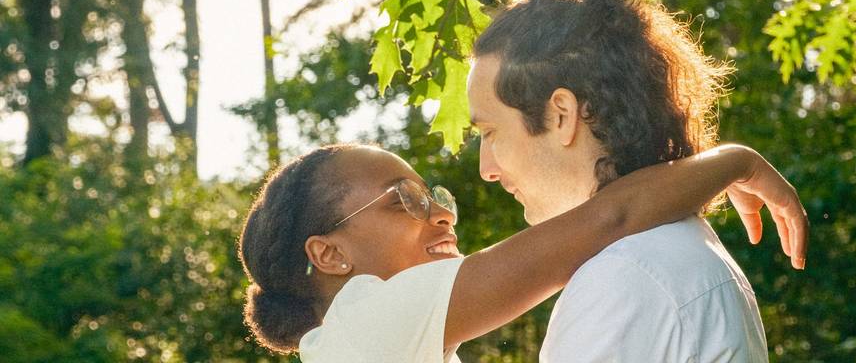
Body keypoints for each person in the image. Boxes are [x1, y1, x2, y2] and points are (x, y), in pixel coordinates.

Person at [469, 0, 796, 362]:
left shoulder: (624, 278)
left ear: (562, 115)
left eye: (490, 133)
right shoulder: (676, 251)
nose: (487, 170)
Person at [238, 140, 806, 362]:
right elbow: (609, 218)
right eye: (402, 201)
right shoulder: (365, 323)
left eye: (434, 196)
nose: (440, 214)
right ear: (330, 255)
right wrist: (738, 161)